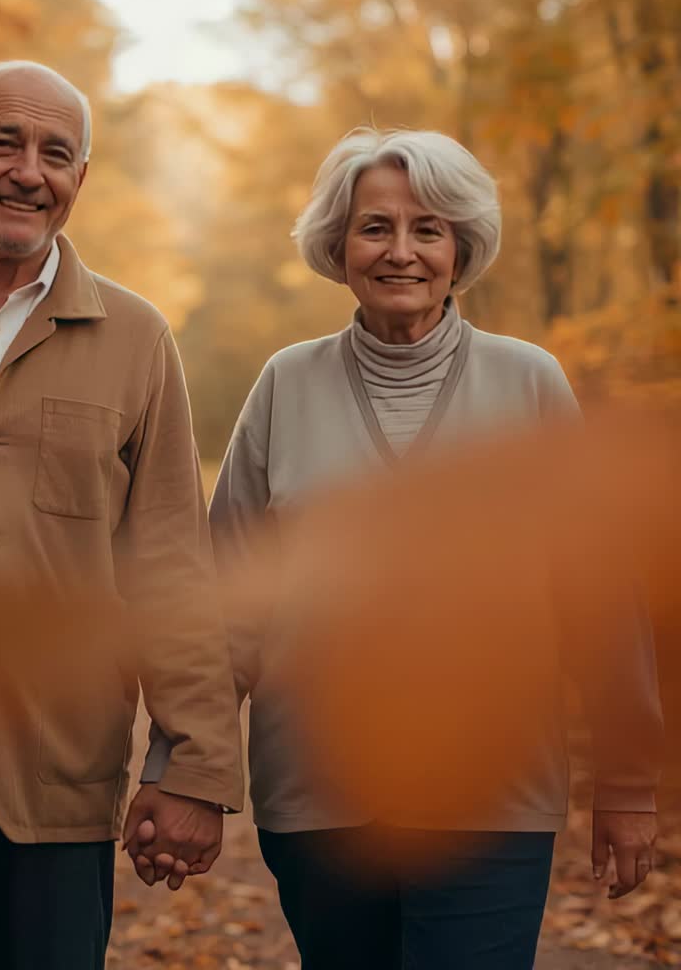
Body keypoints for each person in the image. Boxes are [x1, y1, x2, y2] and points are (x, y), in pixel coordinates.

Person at [145, 127, 663, 969]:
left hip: (494, 798)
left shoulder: (530, 382)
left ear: (461, 248)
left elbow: (601, 603)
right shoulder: (285, 384)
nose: (401, 252)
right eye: (375, 227)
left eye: (428, 229)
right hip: (317, 803)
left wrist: (629, 784)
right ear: (338, 245)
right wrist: (186, 772)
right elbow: (223, 603)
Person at [0, 60, 243, 970]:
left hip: (59, 755)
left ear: (80, 180)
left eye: (56, 155)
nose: (28, 173)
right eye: (3, 143)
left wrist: (195, 765)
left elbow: (171, 569)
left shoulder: (136, 339)